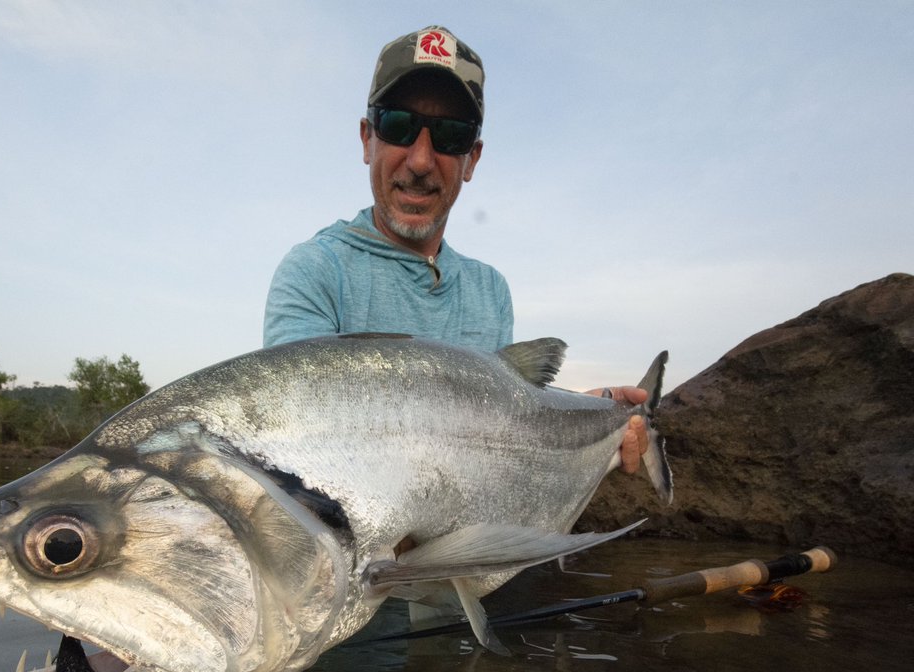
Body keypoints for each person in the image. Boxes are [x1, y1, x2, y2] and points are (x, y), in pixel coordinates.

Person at [263, 26, 647, 473]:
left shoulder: (490, 289)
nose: (422, 160)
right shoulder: (314, 271)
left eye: (450, 134)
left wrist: (591, 412)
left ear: (473, 159)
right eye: (399, 125)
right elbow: (301, 455)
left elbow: (504, 426)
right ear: (368, 139)